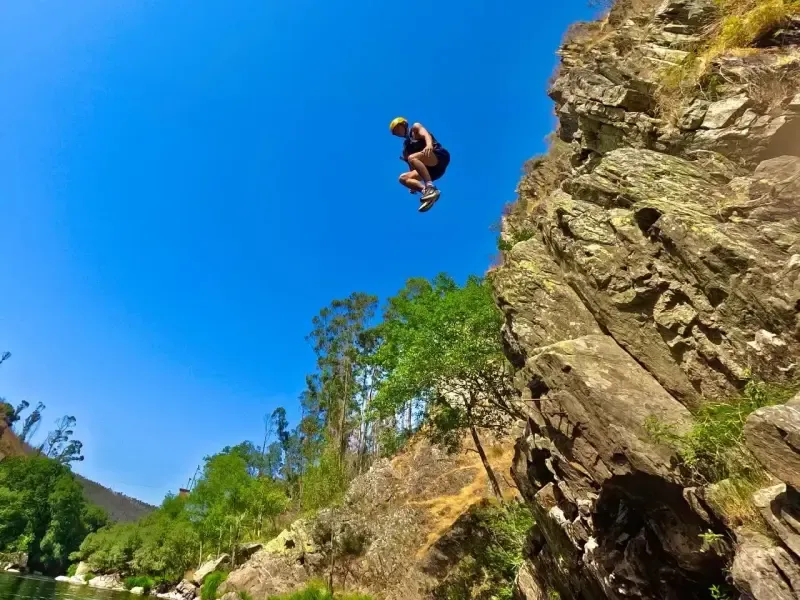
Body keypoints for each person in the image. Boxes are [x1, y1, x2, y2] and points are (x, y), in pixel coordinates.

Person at [390, 117, 450, 211]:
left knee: (412, 157)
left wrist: (429, 145)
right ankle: (427, 192)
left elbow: (426, 135)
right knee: (403, 178)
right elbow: (412, 168)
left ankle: (430, 187)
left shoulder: (415, 128)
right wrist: (412, 185)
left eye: (398, 129)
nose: (398, 133)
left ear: (404, 124)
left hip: (438, 156)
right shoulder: (406, 149)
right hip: (431, 171)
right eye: (395, 132)